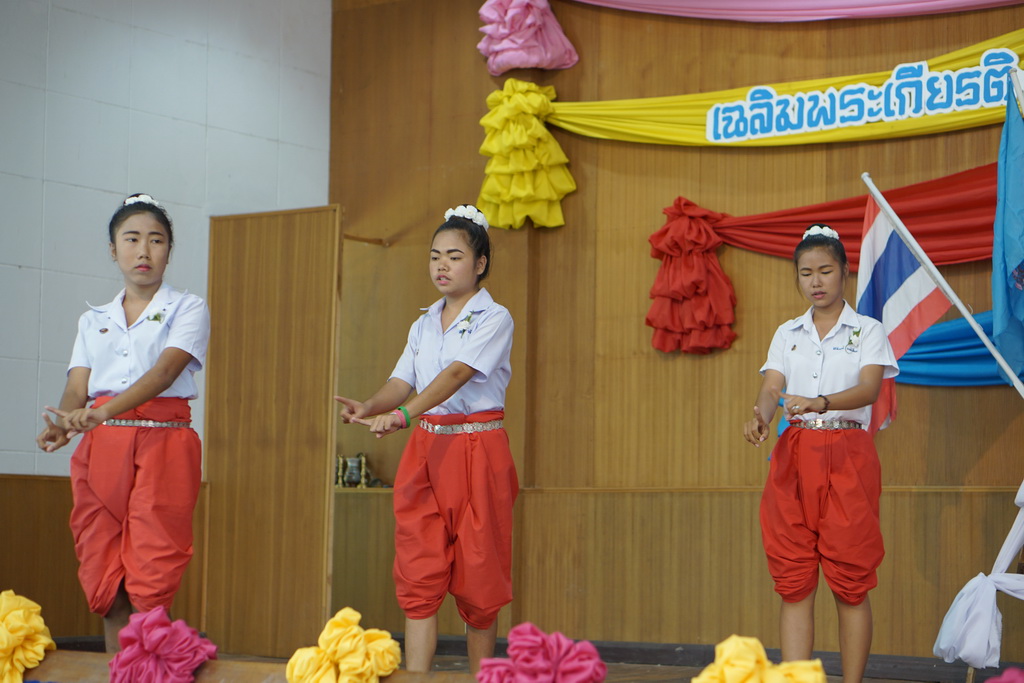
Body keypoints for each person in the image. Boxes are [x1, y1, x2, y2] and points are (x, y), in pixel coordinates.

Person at [334, 204, 517, 674]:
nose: (441, 265)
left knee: (480, 573)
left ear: (480, 263)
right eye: (435, 256)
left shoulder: (495, 318)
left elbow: (456, 375)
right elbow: (402, 381)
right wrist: (371, 406)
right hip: (427, 449)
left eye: (454, 256)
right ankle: (416, 679)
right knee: (418, 570)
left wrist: (402, 416)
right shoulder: (422, 323)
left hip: (477, 448)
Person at [36, 193, 210, 653]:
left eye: (156, 240)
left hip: (163, 445)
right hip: (101, 448)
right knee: (106, 581)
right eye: (131, 239)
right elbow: (78, 386)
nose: (144, 250)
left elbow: (164, 373)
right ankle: (119, 674)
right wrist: (63, 424)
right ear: (113, 250)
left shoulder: (188, 308)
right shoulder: (93, 319)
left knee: (149, 579)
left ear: (169, 250)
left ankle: (148, 673)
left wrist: (105, 410)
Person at [743, 224, 898, 683]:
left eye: (825, 271)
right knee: (793, 582)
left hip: (848, 453)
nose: (816, 281)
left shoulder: (868, 330)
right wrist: (761, 415)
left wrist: (821, 402)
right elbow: (772, 386)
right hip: (795, 455)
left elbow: (870, 388)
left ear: (844, 272)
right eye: (806, 273)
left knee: (850, 582)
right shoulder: (787, 333)